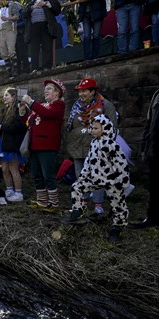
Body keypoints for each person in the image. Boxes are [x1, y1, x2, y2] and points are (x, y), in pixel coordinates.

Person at [65, 115, 130, 243]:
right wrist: (83, 177)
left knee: (118, 204)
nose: (92, 130)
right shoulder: (94, 143)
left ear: (104, 128)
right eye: (91, 128)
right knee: (76, 187)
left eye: (96, 128)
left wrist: (122, 181)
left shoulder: (111, 144)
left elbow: (121, 164)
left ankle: (117, 227)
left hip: (112, 181)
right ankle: (78, 210)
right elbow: (88, 162)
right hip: (95, 178)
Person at [65, 78, 118, 216]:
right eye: (80, 91)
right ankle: (82, 204)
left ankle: (98, 205)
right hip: (77, 147)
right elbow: (71, 127)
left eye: (84, 91)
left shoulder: (105, 105)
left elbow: (112, 128)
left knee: (97, 176)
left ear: (93, 91)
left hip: (97, 148)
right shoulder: (76, 107)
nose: (81, 94)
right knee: (80, 177)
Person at [22, 79, 66, 211]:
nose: (45, 90)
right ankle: (42, 201)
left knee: (48, 175)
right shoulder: (42, 105)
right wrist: (23, 112)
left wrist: (31, 102)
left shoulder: (59, 105)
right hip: (35, 146)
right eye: (45, 88)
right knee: (37, 175)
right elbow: (30, 122)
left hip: (48, 146)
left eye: (50, 88)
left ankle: (53, 203)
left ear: (57, 93)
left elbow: (47, 114)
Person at [0, 88, 28, 201]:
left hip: (13, 144)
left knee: (13, 168)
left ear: (13, 97)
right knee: (4, 168)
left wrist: (2, 127)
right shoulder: (6, 110)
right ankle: (9, 189)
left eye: (6, 95)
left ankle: (18, 193)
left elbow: (19, 127)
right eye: (4, 95)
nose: (4, 97)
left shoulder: (19, 109)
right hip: (3, 143)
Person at [132, 88, 159, 228]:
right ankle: (152, 218)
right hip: (154, 150)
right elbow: (149, 124)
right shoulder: (157, 95)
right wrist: (144, 147)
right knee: (154, 187)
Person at [24, 0, 61, 71]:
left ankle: (47, 67)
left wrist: (46, 4)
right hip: (34, 28)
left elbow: (57, 10)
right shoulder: (31, 3)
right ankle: (34, 68)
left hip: (46, 26)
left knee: (47, 47)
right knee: (34, 49)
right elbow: (24, 14)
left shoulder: (49, 1)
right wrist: (33, 7)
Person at [0, 0, 22, 78]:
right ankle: (9, 71)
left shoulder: (12, 5)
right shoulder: (1, 9)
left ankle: (15, 70)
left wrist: (8, 18)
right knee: (3, 52)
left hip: (10, 29)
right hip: (2, 31)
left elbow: (17, 16)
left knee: (11, 50)